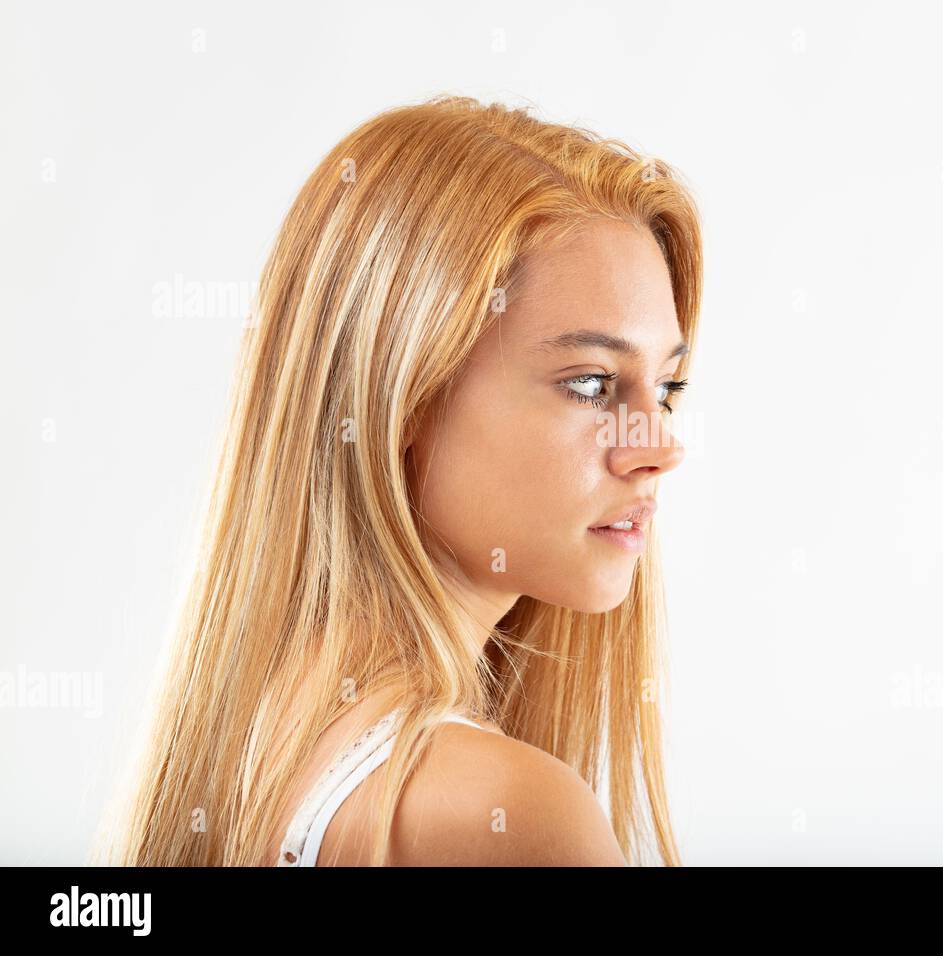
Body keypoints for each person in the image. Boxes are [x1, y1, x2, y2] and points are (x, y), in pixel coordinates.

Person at [95, 94, 702, 866]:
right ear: (401, 397)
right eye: (589, 383)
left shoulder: (245, 750)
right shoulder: (510, 814)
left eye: (669, 389)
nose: (659, 446)